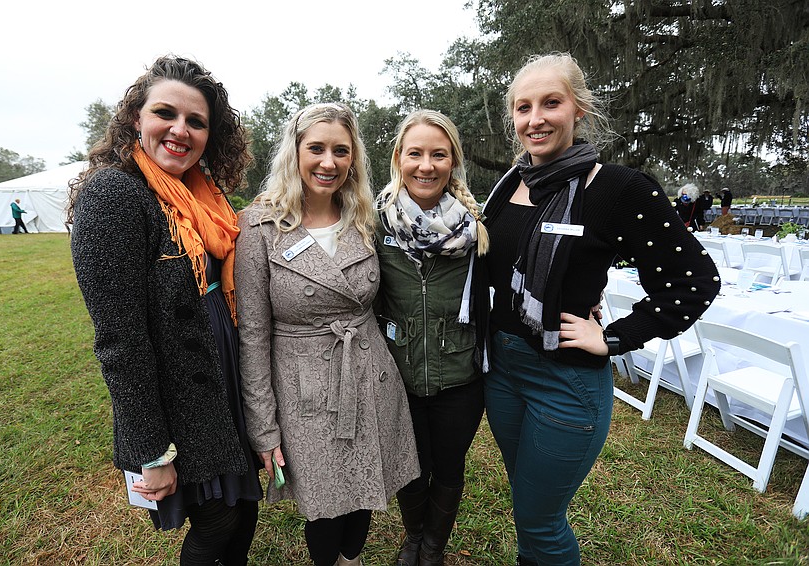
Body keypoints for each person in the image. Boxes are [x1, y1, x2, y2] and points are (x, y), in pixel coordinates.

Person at [471, 53, 720, 566]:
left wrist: (613, 339)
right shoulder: (505, 187)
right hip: (503, 371)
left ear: (579, 110)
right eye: (523, 107)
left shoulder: (618, 189)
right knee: (526, 505)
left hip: (566, 381)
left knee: (541, 520)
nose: (535, 118)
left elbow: (694, 281)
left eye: (551, 103)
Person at [68, 55, 261, 565]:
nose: (180, 130)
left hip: (223, 381)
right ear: (136, 118)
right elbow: (120, 341)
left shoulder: (205, 196)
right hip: (178, 397)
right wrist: (151, 452)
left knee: (243, 507)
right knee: (218, 519)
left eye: (196, 121)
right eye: (165, 114)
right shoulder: (114, 195)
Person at [235, 102, 420, 566]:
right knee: (324, 502)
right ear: (294, 153)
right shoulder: (259, 227)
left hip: (369, 371)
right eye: (316, 148)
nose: (328, 162)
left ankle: (351, 561)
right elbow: (253, 335)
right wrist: (264, 426)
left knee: (366, 486)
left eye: (341, 150)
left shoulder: (364, 217)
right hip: (304, 388)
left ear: (353, 157)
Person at [374, 110, 489, 566]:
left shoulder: (477, 228)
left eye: (438, 155)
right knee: (410, 467)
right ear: (399, 158)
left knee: (448, 464)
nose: (426, 165)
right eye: (415, 153)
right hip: (397, 372)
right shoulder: (374, 224)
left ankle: (433, 548)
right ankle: (414, 535)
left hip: (459, 374)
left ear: (452, 162)